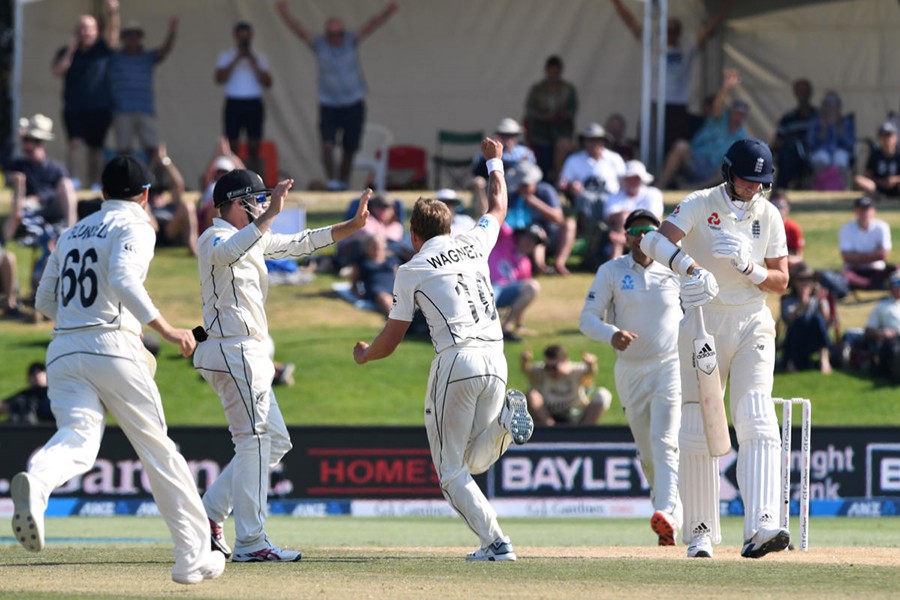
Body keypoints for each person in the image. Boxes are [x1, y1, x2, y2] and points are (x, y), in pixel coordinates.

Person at [13, 155, 225, 584]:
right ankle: (192, 557)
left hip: (63, 350)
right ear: (145, 195)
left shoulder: (72, 232)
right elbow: (124, 279)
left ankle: (37, 483)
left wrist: (82, 320)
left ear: (103, 192)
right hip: (111, 347)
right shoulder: (137, 226)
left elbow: (44, 301)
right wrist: (166, 330)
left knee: (78, 439)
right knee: (159, 451)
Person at [353, 137, 534, 562]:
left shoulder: (411, 268)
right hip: (496, 359)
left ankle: (497, 543)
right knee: (473, 461)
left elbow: (391, 338)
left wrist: (364, 355)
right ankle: (505, 424)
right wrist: (495, 163)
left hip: (457, 360)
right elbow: (498, 207)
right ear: (449, 229)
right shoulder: (474, 242)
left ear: (414, 235)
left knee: (450, 471)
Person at [194, 169, 370, 563]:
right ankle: (251, 541)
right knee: (253, 441)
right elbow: (228, 252)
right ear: (239, 203)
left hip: (246, 353)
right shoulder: (213, 238)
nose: (261, 206)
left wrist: (351, 226)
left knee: (273, 441)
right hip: (232, 350)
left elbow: (300, 242)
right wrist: (270, 214)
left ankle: (207, 514)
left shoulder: (252, 237)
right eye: (256, 200)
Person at [639, 138, 791, 559]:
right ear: (727, 172)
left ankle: (761, 525)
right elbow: (652, 242)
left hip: (752, 322)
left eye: (759, 183)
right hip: (703, 323)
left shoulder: (769, 214)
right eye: (745, 180)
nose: (752, 188)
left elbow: (781, 281)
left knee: (757, 413)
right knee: (697, 422)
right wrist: (690, 268)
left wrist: (750, 268)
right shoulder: (699, 203)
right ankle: (700, 532)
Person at [579, 208, 683, 546]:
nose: (642, 238)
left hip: (669, 366)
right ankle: (666, 514)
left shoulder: (675, 268)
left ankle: (668, 514)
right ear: (626, 237)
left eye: (648, 231)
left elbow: (699, 310)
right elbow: (587, 318)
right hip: (630, 370)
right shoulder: (611, 271)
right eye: (635, 232)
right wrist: (611, 334)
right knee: (647, 452)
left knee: (665, 441)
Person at [276, 1, 398, 191]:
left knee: (350, 147)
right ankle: (333, 181)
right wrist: (284, 14)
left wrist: (387, 12)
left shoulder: (351, 40)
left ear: (343, 33)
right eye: (331, 35)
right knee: (327, 144)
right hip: (329, 104)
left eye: (339, 34)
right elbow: (299, 30)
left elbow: (370, 25)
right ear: (326, 34)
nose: (335, 38)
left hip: (353, 102)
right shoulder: (319, 44)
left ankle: (343, 182)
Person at [612, 0, 735, 154]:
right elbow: (630, 21)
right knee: (649, 145)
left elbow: (709, 29)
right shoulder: (653, 45)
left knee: (674, 147)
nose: (670, 34)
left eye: (673, 31)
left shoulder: (686, 48)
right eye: (667, 30)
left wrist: (727, 6)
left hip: (677, 106)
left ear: (678, 33)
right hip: (655, 103)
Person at [51, 0, 120, 188]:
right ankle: (73, 180)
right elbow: (57, 71)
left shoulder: (103, 49)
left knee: (96, 147)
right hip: (74, 107)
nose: (85, 32)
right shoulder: (67, 51)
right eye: (82, 28)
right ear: (76, 31)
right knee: (75, 143)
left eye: (89, 28)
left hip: (100, 106)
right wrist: (71, 50)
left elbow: (113, 33)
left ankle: (96, 182)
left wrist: (113, 13)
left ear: (96, 31)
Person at [658, 69, 749, 189]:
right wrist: (726, 87)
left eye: (741, 114)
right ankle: (660, 186)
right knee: (681, 146)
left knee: (729, 169)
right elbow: (717, 105)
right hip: (695, 159)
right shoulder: (718, 120)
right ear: (730, 112)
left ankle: (692, 187)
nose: (738, 117)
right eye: (736, 113)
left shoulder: (742, 137)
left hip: (713, 171)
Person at [108, 16, 178, 157]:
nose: (132, 38)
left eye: (135, 34)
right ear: (123, 38)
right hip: (122, 110)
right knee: (123, 150)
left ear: (140, 37)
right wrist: (111, 15)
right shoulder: (115, 57)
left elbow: (165, 50)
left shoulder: (148, 57)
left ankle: (156, 172)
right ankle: (124, 172)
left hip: (145, 109)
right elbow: (108, 40)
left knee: (152, 149)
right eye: (128, 34)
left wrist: (172, 32)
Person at [214, 22, 273, 174]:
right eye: (241, 38)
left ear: (251, 36)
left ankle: (254, 178)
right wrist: (237, 58)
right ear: (236, 37)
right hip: (234, 102)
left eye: (246, 37)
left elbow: (268, 82)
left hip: (253, 103)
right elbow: (219, 78)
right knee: (232, 144)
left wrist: (253, 62)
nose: (244, 41)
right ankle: (233, 176)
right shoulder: (226, 56)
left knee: (254, 145)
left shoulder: (259, 57)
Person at [6, 114, 78, 236]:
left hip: (52, 205)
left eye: (32, 141)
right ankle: (9, 237)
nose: (26, 147)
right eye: (25, 140)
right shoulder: (20, 165)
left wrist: (40, 197)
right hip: (29, 208)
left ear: (41, 144)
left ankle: (71, 230)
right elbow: (4, 160)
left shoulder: (56, 167)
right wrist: (14, 139)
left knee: (66, 183)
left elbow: (63, 190)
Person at [520, 345, 611, 427]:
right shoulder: (542, 371)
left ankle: (584, 431)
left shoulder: (575, 370)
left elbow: (590, 373)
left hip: (575, 414)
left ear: (565, 361)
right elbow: (527, 370)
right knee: (532, 395)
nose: (550, 372)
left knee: (603, 394)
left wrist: (591, 364)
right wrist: (524, 361)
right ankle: (551, 430)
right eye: (548, 367)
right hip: (549, 414)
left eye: (554, 368)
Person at [524, 55, 579, 182]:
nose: (554, 76)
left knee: (562, 158)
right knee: (543, 166)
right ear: (547, 71)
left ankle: (559, 182)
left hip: (562, 133)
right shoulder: (538, 89)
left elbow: (572, 110)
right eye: (551, 72)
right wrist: (544, 116)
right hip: (540, 135)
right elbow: (530, 111)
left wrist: (562, 116)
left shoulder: (568, 89)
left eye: (556, 72)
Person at [489, 223, 543, 342]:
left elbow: (523, 296)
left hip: (503, 294)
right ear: (519, 236)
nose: (530, 242)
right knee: (491, 295)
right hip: (485, 286)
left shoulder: (526, 263)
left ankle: (506, 328)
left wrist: (519, 325)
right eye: (528, 237)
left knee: (532, 287)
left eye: (534, 241)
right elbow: (494, 217)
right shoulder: (505, 238)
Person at [603, 161, 664, 260]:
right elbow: (609, 217)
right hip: (624, 233)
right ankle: (617, 257)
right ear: (625, 179)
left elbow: (655, 218)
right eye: (630, 178)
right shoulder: (615, 195)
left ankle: (621, 244)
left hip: (646, 232)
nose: (633, 181)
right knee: (620, 226)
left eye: (636, 178)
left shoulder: (653, 194)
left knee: (621, 230)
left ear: (642, 179)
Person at [778, 265, 832, 375]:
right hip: (795, 338)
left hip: (814, 338)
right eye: (801, 280)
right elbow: (788, 320)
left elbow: (826, 319)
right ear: (794, 282)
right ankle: (792, 362)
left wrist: (821, 301)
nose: (805, 283)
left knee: (817, 318)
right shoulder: (787, 299)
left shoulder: (818, 298)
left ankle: (824, 359)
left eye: (808, 279)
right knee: (800, 320)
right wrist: (802, 304)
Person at [144, 145, 198, 255]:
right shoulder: (146, 198)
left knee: (188, 206)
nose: (156, 196)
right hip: (152, 229)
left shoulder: (170, 201)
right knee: (144, 207)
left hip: (170, 229)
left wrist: (165, 160)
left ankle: (193, 246)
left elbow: (178, 183)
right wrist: (154, 161)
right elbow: (142, 181)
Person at [839, 196, 896, 290]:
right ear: (855, 211)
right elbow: (846, 257)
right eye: (861, 209)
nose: (864, 212)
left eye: (867, 209)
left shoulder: (882, 227)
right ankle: (870, 284)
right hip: (854, 270)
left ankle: (865, 284)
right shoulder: (846, 228)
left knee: (896, 269)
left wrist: (856, 256)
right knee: (845, 275)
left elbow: (884, 254)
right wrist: (874, 254)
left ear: (874, 211)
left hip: (877, 269)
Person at [772, 78, 817, 189]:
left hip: (814, 153)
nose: (802, 94)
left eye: (805, 91)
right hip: (792, 155)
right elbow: (777, 140)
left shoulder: (818, 116)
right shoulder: (788, 118)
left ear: (810, 93)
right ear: (795, 94)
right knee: (785, 155)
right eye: (800, 91)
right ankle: (781, 190)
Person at [806, 91, 855, 191]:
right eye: (828, 104)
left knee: (840, 159)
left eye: (834, 104)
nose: (831, 108)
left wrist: (840, 129)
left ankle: (843, 189)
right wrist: (822, 129)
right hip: (820, 151)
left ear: (839, 106)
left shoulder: (846, 122)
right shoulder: (815, 121)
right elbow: (810, 144)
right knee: (821, 159)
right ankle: (819, 188)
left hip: (840, 151)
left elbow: (851, 144)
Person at [349, 232, 399, 317]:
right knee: (386, 299)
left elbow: (397, 276)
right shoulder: (361, 261)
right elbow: (354, 281)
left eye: (379, 246)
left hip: (393, 287)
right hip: (376, 289)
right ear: (367, 247)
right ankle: (397, 320)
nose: (377, 249)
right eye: (373, 246)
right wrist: (356, 292)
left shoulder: (391, 260)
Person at [864, 271, 900, 383]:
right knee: (895, 349)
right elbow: (868, 330)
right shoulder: (881, 306)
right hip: (892, 340)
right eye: (897, 283)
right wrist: (882, 333)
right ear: (891, 286)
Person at [471, 118, 537, 178]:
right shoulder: (488, 152)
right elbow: (477, 171)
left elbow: (533, 170)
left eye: (512, 136)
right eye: (504, 135)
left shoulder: (525, 152)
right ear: (498, 136)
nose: (508, 139)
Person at [854, 121, 900, 199]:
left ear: (895, 137)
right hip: (878, 189)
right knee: (858, 179)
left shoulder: (898, 154)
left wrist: (895, 180)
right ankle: (876, 198)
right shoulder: (875, 154)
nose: (886, 139)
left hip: (896, 188)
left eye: (889, 135)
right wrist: (880, 181)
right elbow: (867, 175)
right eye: (883, 136)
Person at [769, 190, 804, 273]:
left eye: (781, 206)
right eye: (774, 205)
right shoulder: (762, 226)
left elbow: (799, 257)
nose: (777, 209)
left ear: (788, 208)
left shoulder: (793, 228)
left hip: (788, 266)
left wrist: (786, 260)